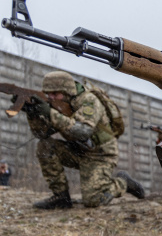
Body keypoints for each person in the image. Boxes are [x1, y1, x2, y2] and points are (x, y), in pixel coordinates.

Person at [25, 71, 145, 209]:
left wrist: (50, 113)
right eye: (48, 94)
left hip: (100, 155)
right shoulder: (57, 105)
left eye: (55, 94)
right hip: (78, 151)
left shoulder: (88, 100)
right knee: (44, 146)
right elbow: (42, 134)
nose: (51, 97)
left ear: (67, 91)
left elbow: (83, 131)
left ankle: (123, 182)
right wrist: (32, 114)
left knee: (94, 200)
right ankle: (61, 197)